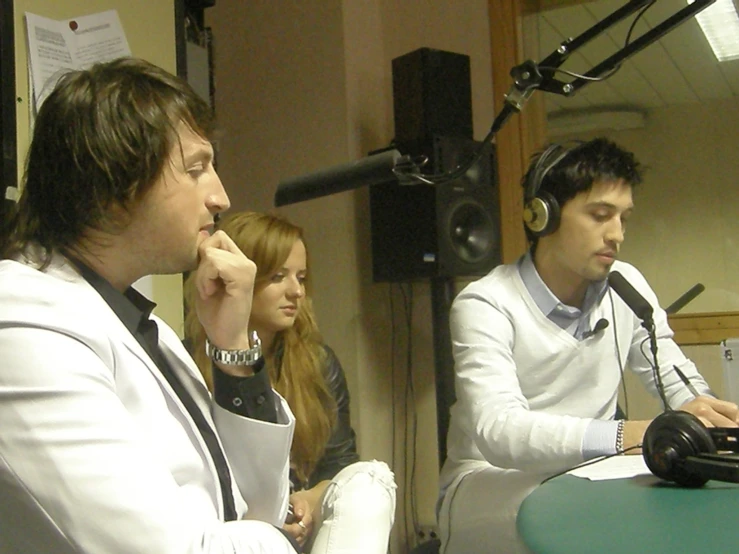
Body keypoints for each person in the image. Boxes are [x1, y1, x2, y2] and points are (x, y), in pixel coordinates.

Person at [0, 57, 301, 553]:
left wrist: (230, 346)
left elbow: (258, 507)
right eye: (196, 169)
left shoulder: (144, 326)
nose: (221, 197)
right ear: (114, 183)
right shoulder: (24, 325)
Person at [436, 137, 739, 553]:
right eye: (600, 215)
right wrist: (631, 435)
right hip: (489, 480)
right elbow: (499, 431)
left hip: (592, 470)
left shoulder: (626, 285)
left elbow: (677, 381)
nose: (616, 235)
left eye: (623, 218)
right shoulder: (486, 303)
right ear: (543, 215)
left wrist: (714, 426)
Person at [184, 211, 396, 553]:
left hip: (303, 531)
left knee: (371, 479)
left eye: (301, 277)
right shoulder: (186, 364)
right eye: (279, 276)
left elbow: (339, 465)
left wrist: (311, 499)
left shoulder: (318, 363)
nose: (296, 291)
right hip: (225, 534)